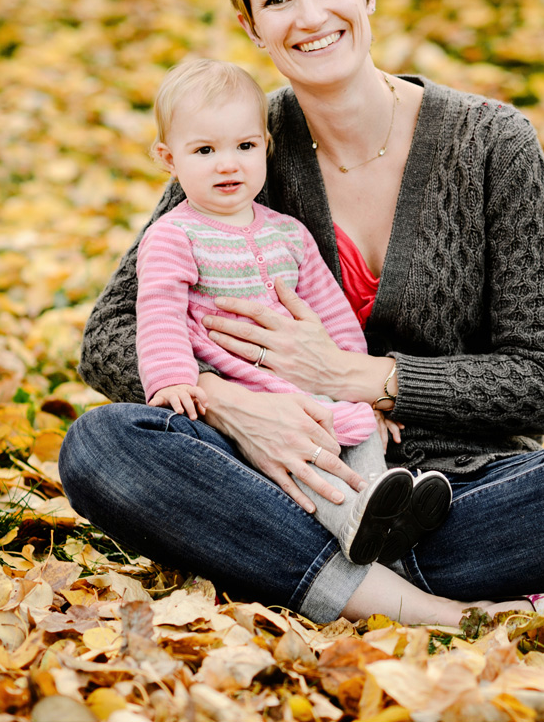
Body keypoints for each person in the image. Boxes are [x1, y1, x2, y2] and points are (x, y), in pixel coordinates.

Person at [59, 0, 544, 633]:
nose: (310, 14)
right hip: (284, 472)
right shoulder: (236, 145)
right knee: (104, 443)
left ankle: (315, 570)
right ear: (251, 26)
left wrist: (363, 377)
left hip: (463, 490)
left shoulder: (493, 143)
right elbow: (109, 335)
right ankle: (427, 606)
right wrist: (232, 404)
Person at [135, 56, 451, 565]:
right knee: (301, 459)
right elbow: (158, 312)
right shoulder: (174, 235)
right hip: (247, 393)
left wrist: (359, 388)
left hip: (313, 384)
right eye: (205, 150)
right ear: (168, 159)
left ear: (265, 146)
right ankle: (350, 522)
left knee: (358, 424)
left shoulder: (288, 233)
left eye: (244, 146)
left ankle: (386, 502)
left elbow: (331, 315)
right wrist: (172, 379)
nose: (228, 164)